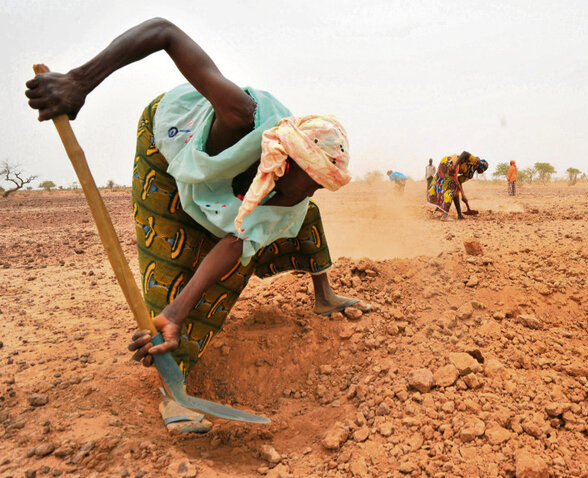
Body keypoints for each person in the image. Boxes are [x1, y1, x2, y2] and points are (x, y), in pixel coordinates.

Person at [26, 18, 371, 433]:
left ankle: (324, 295)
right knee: (170, 259)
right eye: (310, 181)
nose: (311, 192)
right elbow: (163, 31)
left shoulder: (290, 199)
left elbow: (233, 242)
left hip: (222, 191)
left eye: (321, 185)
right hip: (169, 145)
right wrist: (80, 80)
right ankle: (173, 393)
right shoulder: (240, 115)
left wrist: (179, 310)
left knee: (275, 237)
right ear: (285, 163)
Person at [427, 152, 488, 220]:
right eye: (483, 169)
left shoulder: (470, 174)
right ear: (481, 166)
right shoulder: (474, 160)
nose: (482, 172)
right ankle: (444, 216)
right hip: (449, 162)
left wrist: (462, 195)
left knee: (453, 189)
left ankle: (459, 215)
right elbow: (465, 153)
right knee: (451, 189)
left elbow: (459, 181)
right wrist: (455, 165)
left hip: (449, 167)